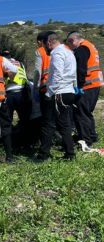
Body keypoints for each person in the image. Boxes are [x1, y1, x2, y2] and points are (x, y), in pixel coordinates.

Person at [37, 32, 77, 161]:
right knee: (65, 124)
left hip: (59, 93)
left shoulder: (57, 53)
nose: (45, 48)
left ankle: (43, 155)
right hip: (69, 91)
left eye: (45, 45)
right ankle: (70, 154)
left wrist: (49, 93)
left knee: (48, 124)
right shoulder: (69, 52)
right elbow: (73, 73)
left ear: (49, 42)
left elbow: (57, 75)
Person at [66, 31, 104, 147]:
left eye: (69, 43)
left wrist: (78, 85)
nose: (70, 47)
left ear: (73, 40)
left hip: (87, 85)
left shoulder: (82, 49)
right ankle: (92, 136)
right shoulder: (90, 46)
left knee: (80, 114)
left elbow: (81, 68)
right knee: (87, 113)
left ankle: (86, 141)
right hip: (94, 84)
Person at [2, 50, 30, 149]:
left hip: (9, 93)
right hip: (22, 92)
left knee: (7, 121)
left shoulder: (3, 64)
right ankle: (26, 144)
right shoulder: (20, 63)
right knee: (24, 119)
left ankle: (10, 145)